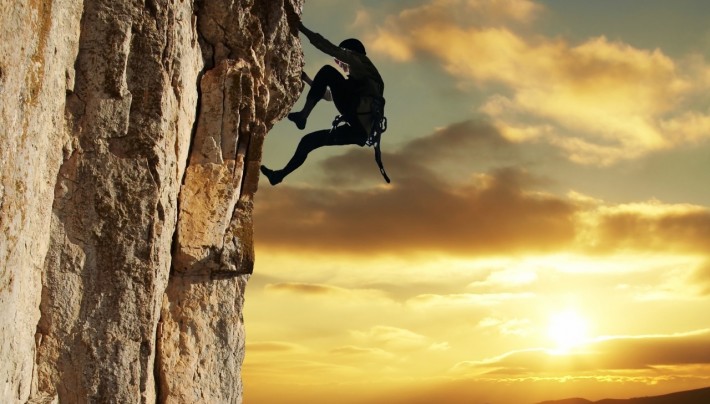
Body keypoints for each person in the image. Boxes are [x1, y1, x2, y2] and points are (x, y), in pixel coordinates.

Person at [260, 22, 385, 186]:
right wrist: (306, 79)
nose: (339, 63)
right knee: (308, 141)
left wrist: (301, 28)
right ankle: (279, 175)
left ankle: (303, 115)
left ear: (349, 53)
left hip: (355, 118)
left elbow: (329, 48)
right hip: (358, 131)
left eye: (341, 59)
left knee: (327, 71)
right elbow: (329, 96)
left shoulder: (359, 62)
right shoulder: (365, 80)